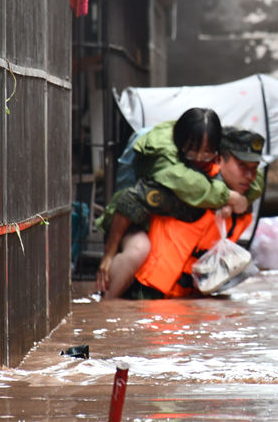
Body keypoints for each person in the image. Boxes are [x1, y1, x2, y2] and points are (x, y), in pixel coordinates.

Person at [95, 109, 261, 299]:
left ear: (217, 154)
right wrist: (109, 255)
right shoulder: (175, 178)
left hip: (176, 277)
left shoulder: (224, 182)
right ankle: (105, 304)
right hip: (129, 224)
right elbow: (128, 203)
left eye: (207, 154)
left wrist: (230, 202)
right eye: (192, 151)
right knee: (138, 249)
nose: (199, 159)